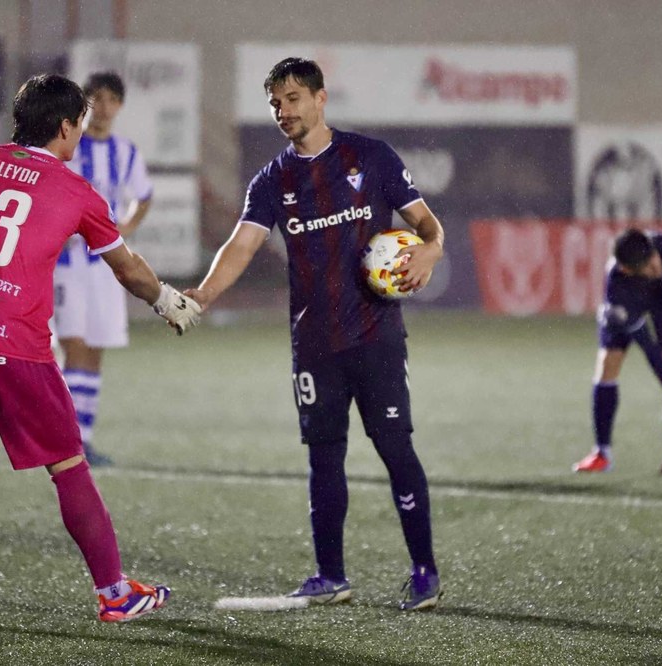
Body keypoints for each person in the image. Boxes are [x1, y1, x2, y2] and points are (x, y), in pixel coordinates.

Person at [0, 73, 200, 624]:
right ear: (65, 126)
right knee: (68, 465)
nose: (81, 136)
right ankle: (115, 593)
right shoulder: (75, 190)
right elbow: (128, 269)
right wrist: (166, 300)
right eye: (79, 126)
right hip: (14, 339)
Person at [184, 58, 445, 611]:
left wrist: (431, 249)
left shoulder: (371, 158)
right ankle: (331, 575)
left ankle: (424, 571)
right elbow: (241, 246)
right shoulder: (273, 180)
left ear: (321, 98)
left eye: (294, 98)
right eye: (276, 103)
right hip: (314, 344)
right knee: (323, 459)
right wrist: (201, 297)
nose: (284, 111)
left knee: (396, 447)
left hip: (376, 336)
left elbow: (426, 224)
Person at [53, 72, 154, 466]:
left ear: (120, 106)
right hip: (67, 263)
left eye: (112, 99)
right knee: (72, 345)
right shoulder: (68, 149)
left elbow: (143, 197)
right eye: (97, 98)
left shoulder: (126, 152)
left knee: (93, 351)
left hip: (106, 266)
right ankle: (63, 438)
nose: (104, 106)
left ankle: (82, 440)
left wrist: (124, 229)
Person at [572, 228, 662, 474]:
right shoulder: (618, 284)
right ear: (628, 270)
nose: (656, 270)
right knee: (608, 362)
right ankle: (601, 453)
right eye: (648, 269)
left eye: (654, 261)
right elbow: (648, 348)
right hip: (634, 306)